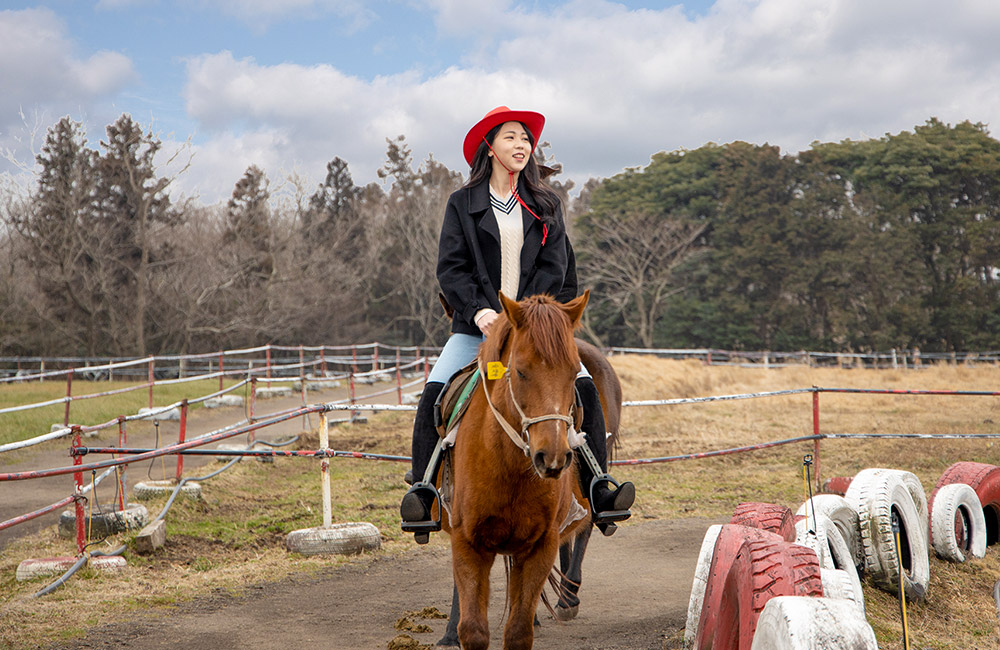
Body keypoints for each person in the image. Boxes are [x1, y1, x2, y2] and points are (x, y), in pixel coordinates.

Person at [400, 106, 635, 537]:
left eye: (526, 139)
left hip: (535, 330)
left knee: (584, 385)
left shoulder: (546, 204)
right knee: (434, 391)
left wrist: (534, 318)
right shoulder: (461, 204)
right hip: (478, 328)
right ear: (490, 147)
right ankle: (423, 493)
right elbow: (451, 269)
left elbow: (558, 266)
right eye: (511, 137)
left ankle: (599, 487)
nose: (522, 145)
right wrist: (479, 311)